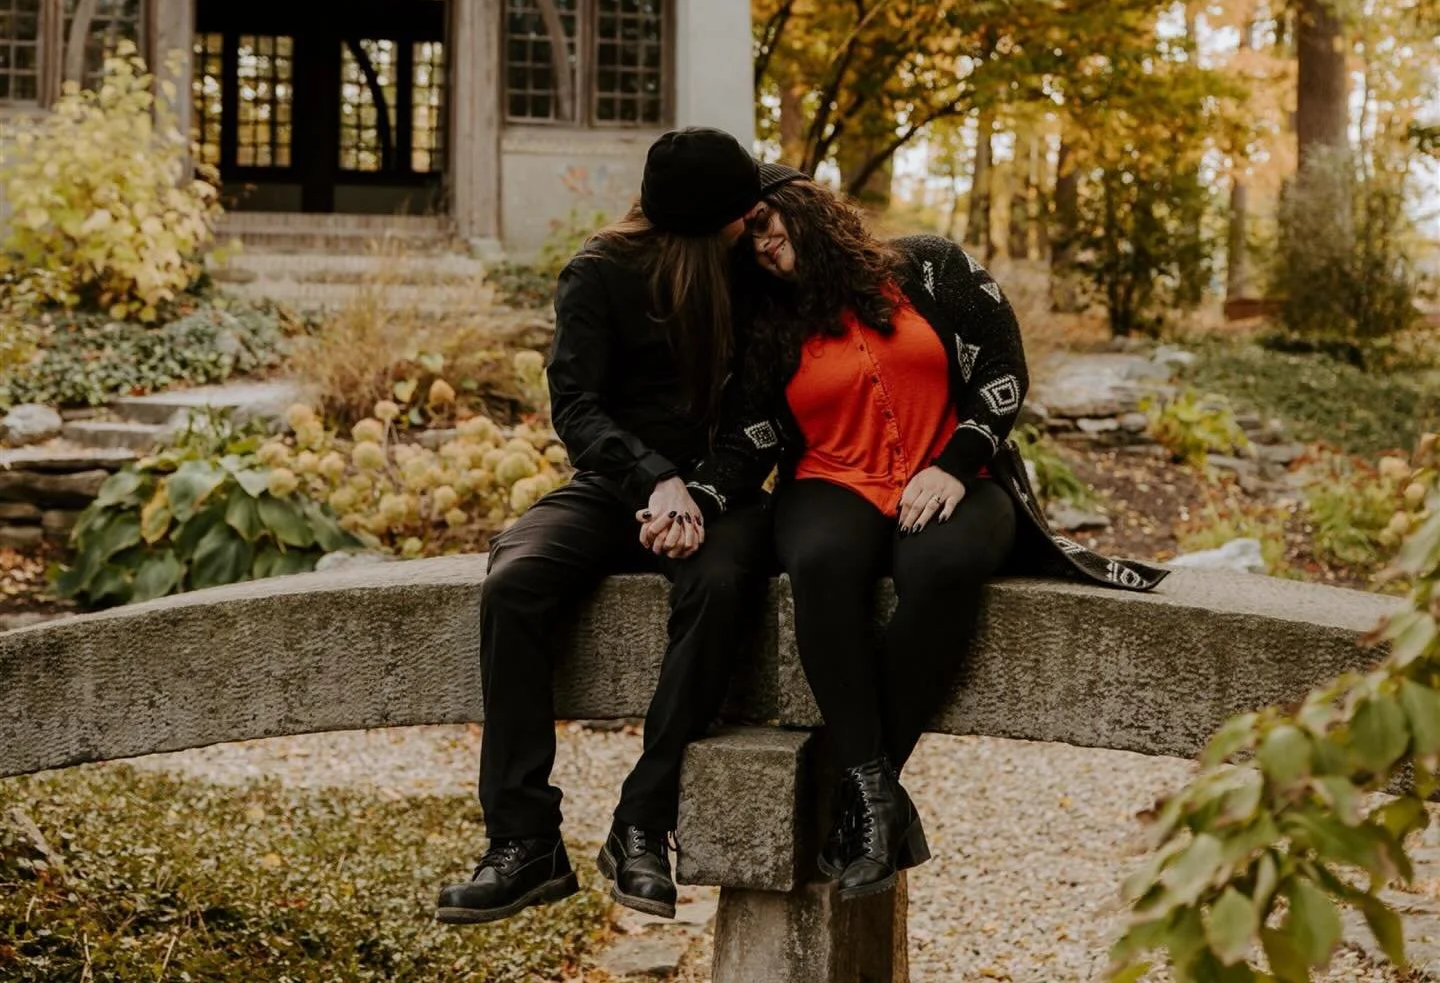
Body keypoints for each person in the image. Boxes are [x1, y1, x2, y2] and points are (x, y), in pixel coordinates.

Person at [687, 166, 1165, 902]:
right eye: (746, 240)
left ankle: (860, 793)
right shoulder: (767, 320)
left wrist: (954, 462)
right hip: (832, 479)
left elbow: (1004, 367)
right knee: (818, 563)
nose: (760, 243)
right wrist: (695, 495)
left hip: (956, 473)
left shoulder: (931, 266)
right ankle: (876, 798)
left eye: (763, 221)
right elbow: (750, 436)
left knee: (944, 567)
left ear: (805, 206)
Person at [437, 128, 774, 928]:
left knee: (723, 586)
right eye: (742, 210)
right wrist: (654, 481)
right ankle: (524, 843)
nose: (756, 215)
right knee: (516, 581)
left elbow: (765, 416)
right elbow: (576, 406)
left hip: (721, 495)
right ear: (709, 222)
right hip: (619, 482)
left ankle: (643, 823)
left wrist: (702, 495)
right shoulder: (599, 272)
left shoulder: (757, 277)